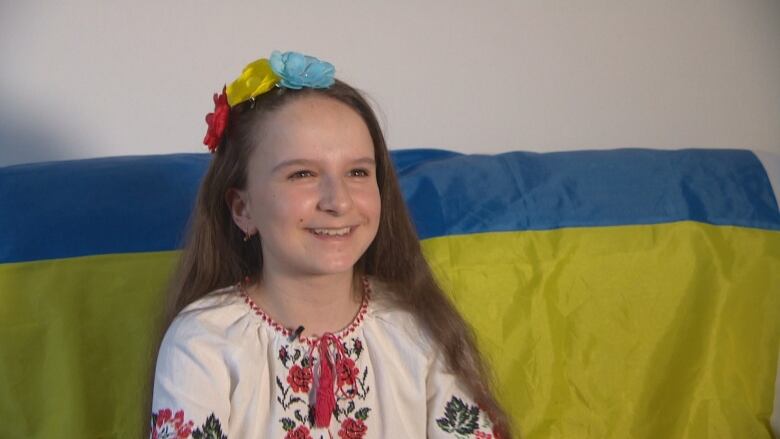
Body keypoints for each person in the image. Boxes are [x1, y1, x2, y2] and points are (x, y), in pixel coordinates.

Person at [150, 50, 512, 439]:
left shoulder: (418, 327)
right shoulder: (205, 341)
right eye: (302, 173)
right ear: (243, 208)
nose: (338, 201)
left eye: (357, 172)